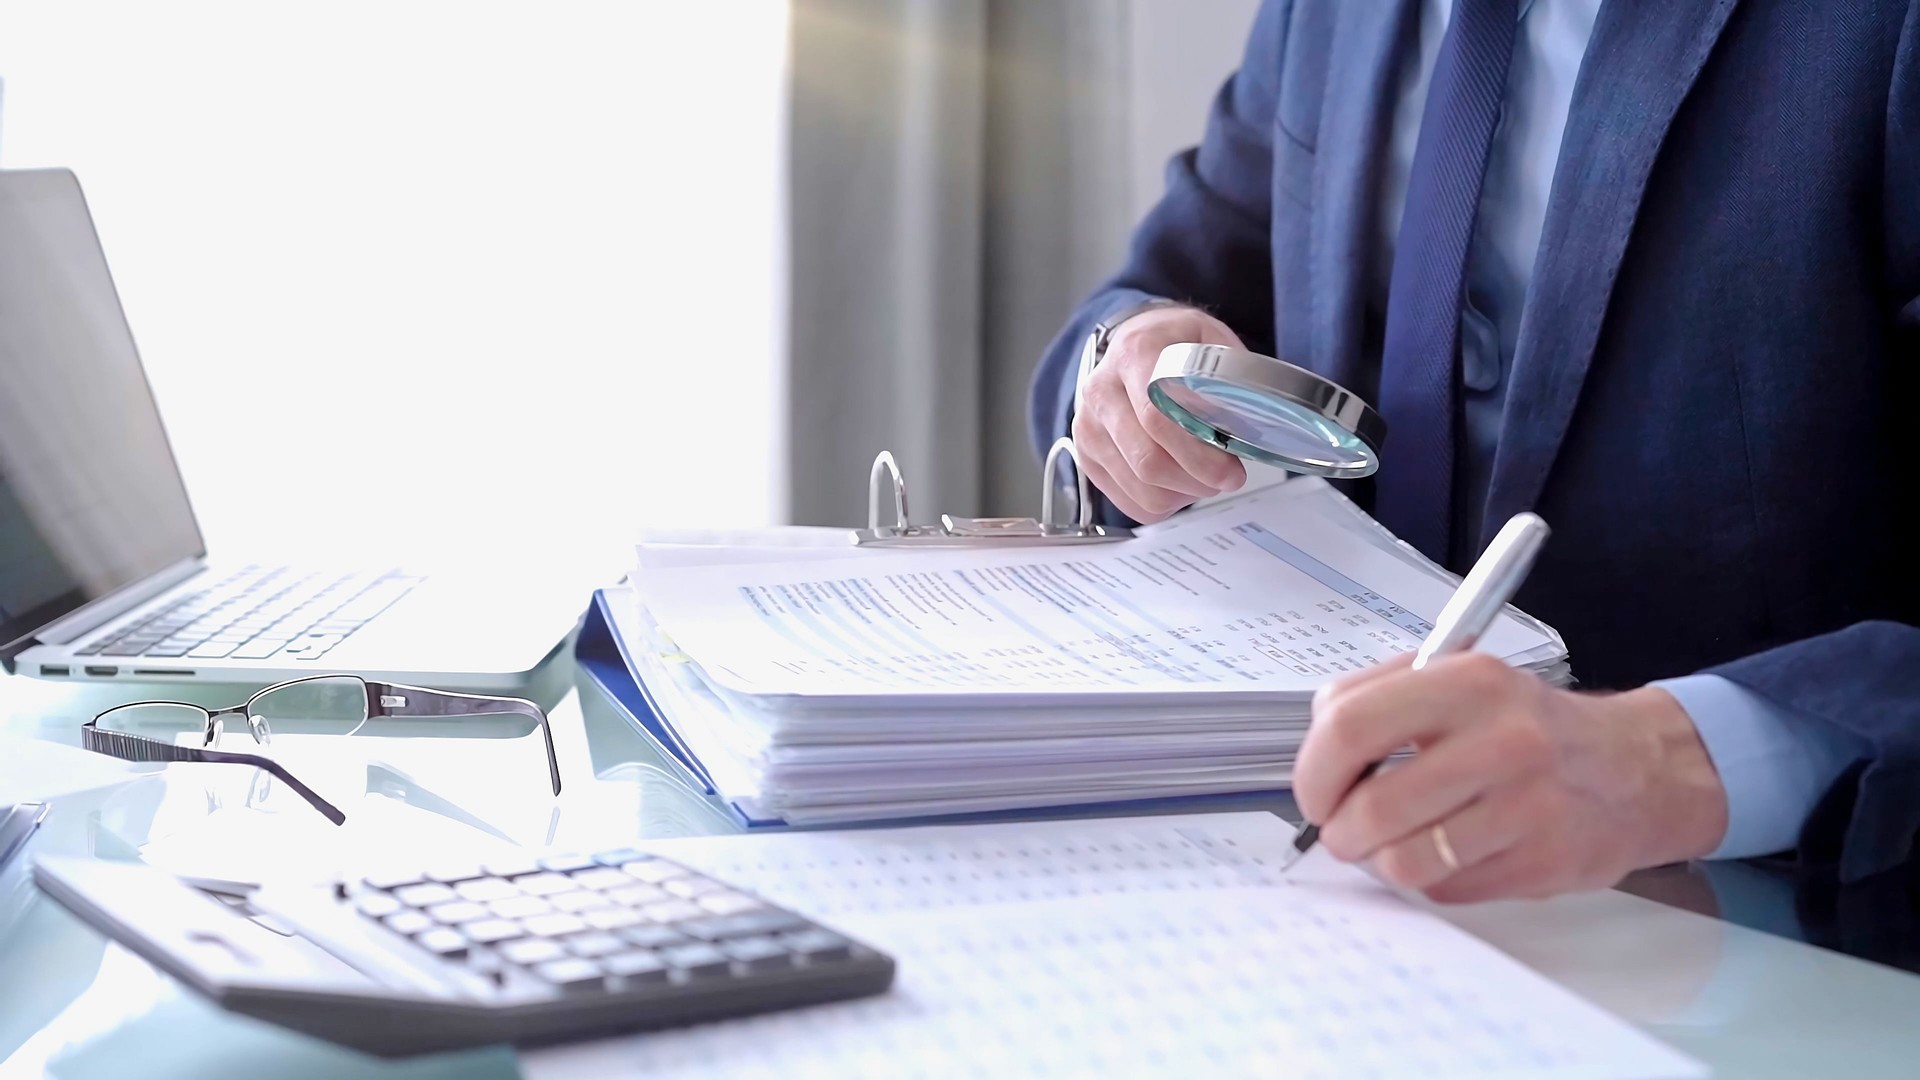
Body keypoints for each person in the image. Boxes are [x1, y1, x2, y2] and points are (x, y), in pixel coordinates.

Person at [1028, 0, 1920, 900]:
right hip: (1328, 883)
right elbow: (1158, 291)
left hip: (1773, 922)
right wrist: (1128, 362)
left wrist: (1671, 762)